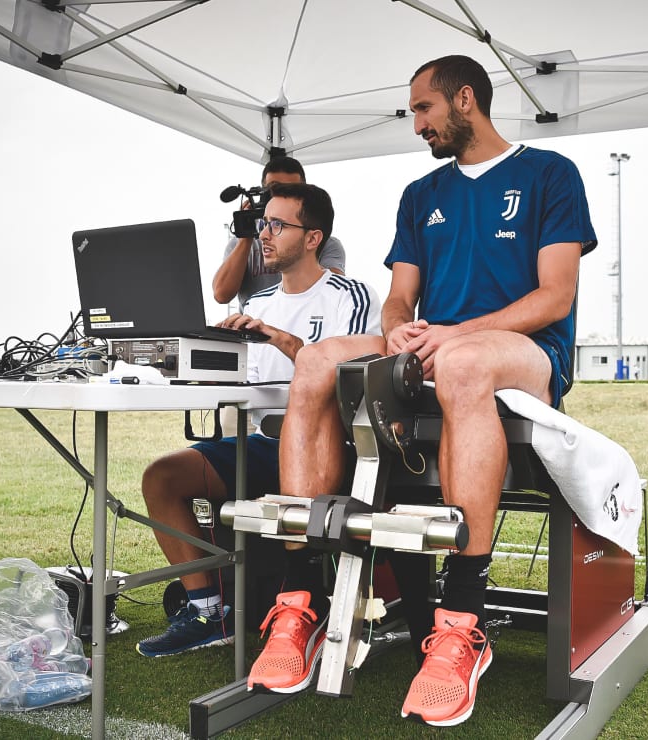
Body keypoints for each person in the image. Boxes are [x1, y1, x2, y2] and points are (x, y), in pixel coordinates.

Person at [246, 54, 596, 725]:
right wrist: (402, 330)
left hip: (523, 352)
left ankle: (463, 620)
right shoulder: (420, 195)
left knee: (463, 364)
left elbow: (556, 296)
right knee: (318, 361)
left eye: (423, 109)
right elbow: (400, 298)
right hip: (435, 344)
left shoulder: (551, 174)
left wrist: (457, 336)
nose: (416, 125)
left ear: (466, 100)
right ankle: (300, 604)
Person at [135, 182, 381, 658]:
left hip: (326, 446)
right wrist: (189, 361)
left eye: (277, 224)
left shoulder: (350, 295)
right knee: (160, 477)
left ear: (313, 238)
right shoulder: (256, 303)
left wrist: (281, 339)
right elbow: (238, 385)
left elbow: (353, 381)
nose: (264, 234)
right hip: (261, 445)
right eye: (261, 223)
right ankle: (209, 613)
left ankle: (303, 600)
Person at [212, 156, 347, 310]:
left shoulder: (326, 244)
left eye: (291, 191)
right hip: (253, 327)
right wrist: (246, 238)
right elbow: (221, 294)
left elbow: (334, 293)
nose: (281, 196)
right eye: (273, 191)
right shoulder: (239, 245)